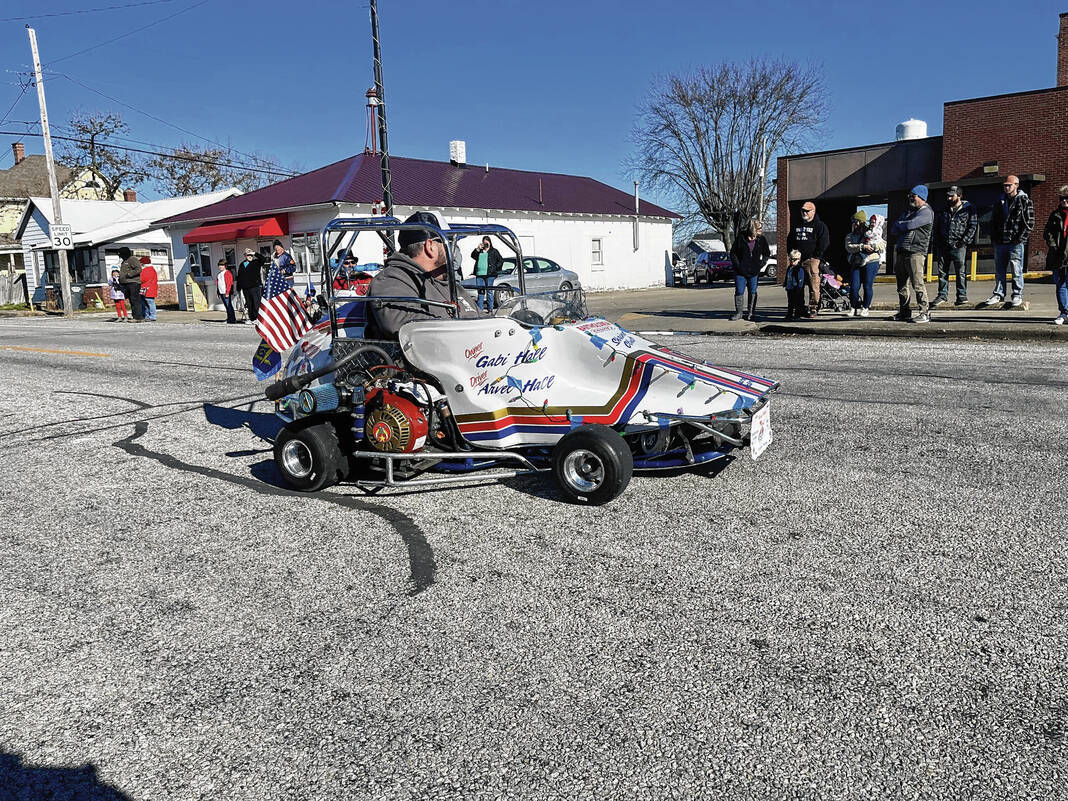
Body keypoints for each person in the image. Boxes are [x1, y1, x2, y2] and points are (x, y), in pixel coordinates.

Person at [366, 211, 483, 339]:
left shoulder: (445, 281)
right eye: (449, 244)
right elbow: (407, 326)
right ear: (430, 247)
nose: (453, 255)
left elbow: (480, 317)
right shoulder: (391, 281)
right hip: (430, 357)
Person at [985, 175, 1034, 307]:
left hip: (1015, 242)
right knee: (999, 269)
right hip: (1000, 241)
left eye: (1009, 185)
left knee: (1016, 269)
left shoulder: (1024, 200)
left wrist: (1019, 239)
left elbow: (1030, 222)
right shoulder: (1000, 200)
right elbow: (993, 220)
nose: (1006, 188)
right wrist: (994, 238)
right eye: (1005, 185)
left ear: (1016, 186)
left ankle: (1017, 295)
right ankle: (998, 294)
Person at [889, 185, 934, 323]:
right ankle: (904, 312)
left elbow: (908, 225)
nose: (910, 199)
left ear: (921, 197)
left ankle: (924, 312)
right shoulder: (909, 212)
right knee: (901, 285)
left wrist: (902, 224)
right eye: (910, 196)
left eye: (913, 196)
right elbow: (893, 229)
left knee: (917, 283)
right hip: (902, 251)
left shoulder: (926, 212)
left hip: (916, 252)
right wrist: (904, 224)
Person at [932, 186, 977, 308]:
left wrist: (963, 242)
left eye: (952, 195)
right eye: (948, 195)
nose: (949, 197)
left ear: (959, 196)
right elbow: (936, 226)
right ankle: (942, 295)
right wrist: (937, 241)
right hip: (943, 244)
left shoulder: (968, 209)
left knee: (961, 271)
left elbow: (972, 226)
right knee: (942, 272)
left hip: (959, 245)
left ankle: (961, 296)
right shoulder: (943, 209)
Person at [786, 201, 830, 317]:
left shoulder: (820, 226)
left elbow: (824, 243)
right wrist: (791, 254)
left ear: (813, 211)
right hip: (797, 260)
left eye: (807, 210)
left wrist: (816, 256)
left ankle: (813, 308)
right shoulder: (797, 225)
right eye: (803, 210)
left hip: (812, 260)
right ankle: (799, 308)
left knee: (813, 285)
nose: (804, 212)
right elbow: (789, 240)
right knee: (797, 286)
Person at [844, 210, 884, 317]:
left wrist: (873, 247)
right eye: (853, 222)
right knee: (854, 286)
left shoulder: (872, 232)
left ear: (862, 222)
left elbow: (882, 244)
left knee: (867, 286)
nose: (855, 224)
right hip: (856, 261)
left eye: (857, 222)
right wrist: (862, 247)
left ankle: (865, 307)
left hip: (872, 260)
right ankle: (853, 306)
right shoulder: (850, 236)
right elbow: (849, 247)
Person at [729, 219, 770, 321]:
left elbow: (766, 253)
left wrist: (761, 264)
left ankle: (751, 313)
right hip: (740, 272)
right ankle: (739, 313)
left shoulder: (762, 239)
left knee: (753, 291)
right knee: (739, 291)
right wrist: (738, 266)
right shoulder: (741, 238)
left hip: (754, 271)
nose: (761, 230)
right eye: (759, 228)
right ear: (753, 228)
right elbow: (733, 253)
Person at [1041, 184, 1068, 325]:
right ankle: (1064, 312)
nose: (1064, 201)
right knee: (1061, 284)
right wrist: (1053, 245)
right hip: (1057, 254)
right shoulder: (1055, 214)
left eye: (1067, 198)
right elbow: (1047, 232)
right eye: (1062, 198)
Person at [470, 236, 503, 312]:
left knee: (489, 292)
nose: (485, 244)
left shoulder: (494, 251)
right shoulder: (480, 251)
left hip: (490, 275)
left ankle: (490, 309)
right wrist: (478, 249)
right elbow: (472, 256)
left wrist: (495, 268)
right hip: (480, 275)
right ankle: (480, 309)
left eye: (487, 242)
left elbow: (500, 260)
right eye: (484, 242)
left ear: (490, 242)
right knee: (480, 292)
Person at [236, 248, 264, 324]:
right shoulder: (242, 264)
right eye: (248, 255)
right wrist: (238, 287)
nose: (250, 256)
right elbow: (239, 276)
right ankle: (252, 318)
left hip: (255, 286)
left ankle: (257, 318)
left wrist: (254, 253)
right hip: (246, 288)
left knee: (256, 303)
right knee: (249, 304)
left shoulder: (256, 262)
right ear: (245, 256)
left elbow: (263, 259)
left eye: (251, 255)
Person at [117, 246, 143, 321]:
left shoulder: (132, 259)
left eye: (120, 254)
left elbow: (138, 269)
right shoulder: (124, 261)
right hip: (126, 283)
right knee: (131, 300)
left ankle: (138, 317)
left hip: (133, 282)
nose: (120, 256)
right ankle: (134, 315)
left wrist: (129, 274)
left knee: (135, 299)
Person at [783, 249, 806, 321]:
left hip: (797, 289)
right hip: (790, 288)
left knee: (797, 303)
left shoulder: (799, 269)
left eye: (794, 259)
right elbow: (787, 276)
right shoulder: (789, 268)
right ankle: (789, 315)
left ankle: (797, 315)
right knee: (790, 303)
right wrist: (785, 283)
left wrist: (799, 288)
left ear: (799, 259)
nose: (792, 261)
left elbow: (801, 280)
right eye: (790, 259)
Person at [216, 258, 237, 324]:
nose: (220, 266)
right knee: (226, 306)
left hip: (226, 292)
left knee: (229, 306)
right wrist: (218, 292)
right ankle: (229, 318)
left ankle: (232, 319)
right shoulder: (219, 274)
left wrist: (228, 292)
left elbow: (229, 283)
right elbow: (218, 284)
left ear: (225, 266)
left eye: (222, 265)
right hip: (221, 292)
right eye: (219, 265)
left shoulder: (227, 273)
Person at [139, 256, 158, 322]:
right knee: (147, 303)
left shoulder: (147, 270)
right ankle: (147, 316)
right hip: (149, 289)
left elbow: (143, 279)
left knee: (149, 303)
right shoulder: (151, 269)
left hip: (147, 289)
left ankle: (152, 316)